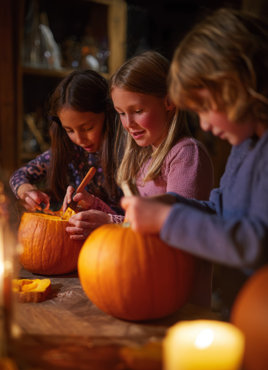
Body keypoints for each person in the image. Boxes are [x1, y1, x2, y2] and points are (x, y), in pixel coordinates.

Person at [121, 8, 268, 314]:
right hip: (235, 312)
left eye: (204, 107)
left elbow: (254, 243)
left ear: (239, 86)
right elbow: (219, 210)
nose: (202, 124)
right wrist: (169, 204)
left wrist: (165, 221)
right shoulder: (243, 146)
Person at [66, 51, 213, 243]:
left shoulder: (186, 154)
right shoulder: (145, 157)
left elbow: (176, 230)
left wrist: (110, 224)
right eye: (121, 113)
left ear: (169, 102)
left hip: (174, 271)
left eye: (137, 111)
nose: (129, 124)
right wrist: (93, 205)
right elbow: (132, 223)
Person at [9, 69, 123, 213]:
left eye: (87, 128)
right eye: (69, 130)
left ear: (107, 114)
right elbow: (18, 175)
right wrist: (27, 191)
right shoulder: (70, 150)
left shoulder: (125, 152)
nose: (80, 139)